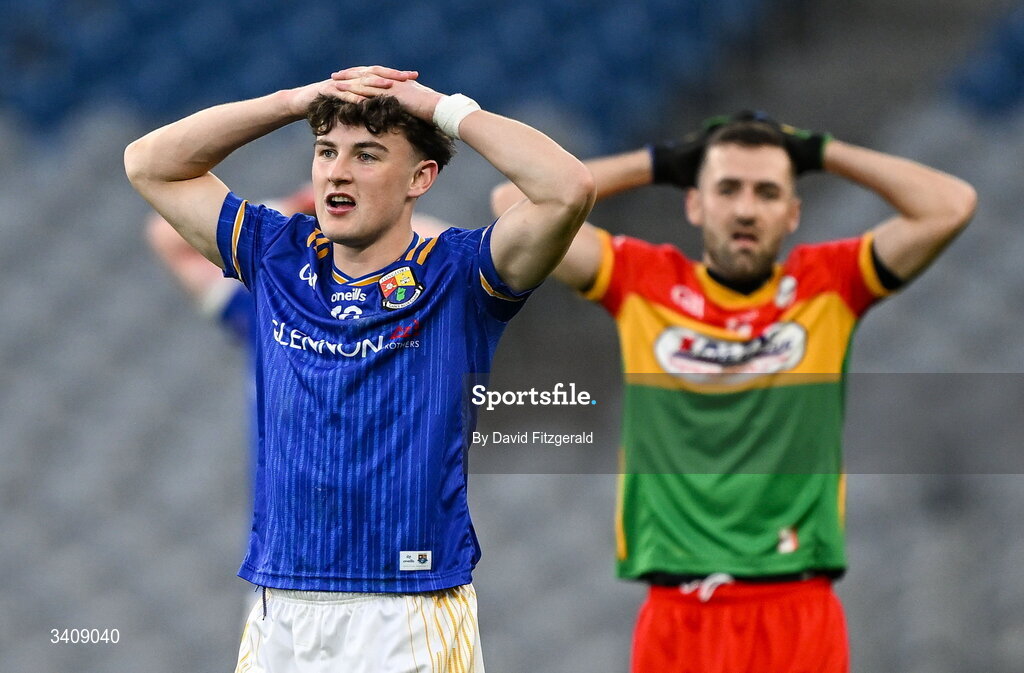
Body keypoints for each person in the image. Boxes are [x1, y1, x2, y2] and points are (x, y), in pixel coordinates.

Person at [124, 65, 595, 672]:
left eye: (367, 155)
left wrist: (439, 108)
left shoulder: (459, 274)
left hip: (408, 609)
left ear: (420, 177)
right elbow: (149, 163)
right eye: (326, 152)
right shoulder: (276, 255)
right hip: (281, 605)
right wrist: (293, 101)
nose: (337, 171)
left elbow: (567, 188)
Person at [491, 112, 977, 673]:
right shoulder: (641, 279)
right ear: (694, 205)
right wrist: (659, 162)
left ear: (793, 214)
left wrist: (821, 152)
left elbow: (951, 204)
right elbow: (513, 202)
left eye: (768, 192)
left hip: (796, 606)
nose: (746, 209)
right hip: (678, 612)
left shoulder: (831, 283)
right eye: (727, 189)